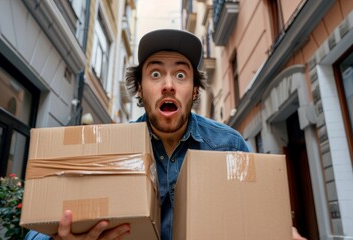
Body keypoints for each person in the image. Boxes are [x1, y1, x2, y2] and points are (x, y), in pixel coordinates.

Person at [25, 29, 307, 240]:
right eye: (156, 74)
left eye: (181, 76)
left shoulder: (228, 145)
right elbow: (37, 228)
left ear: (195, 90)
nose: (169, 85)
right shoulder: (112, 151)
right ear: (139, 88)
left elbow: (260, 216)